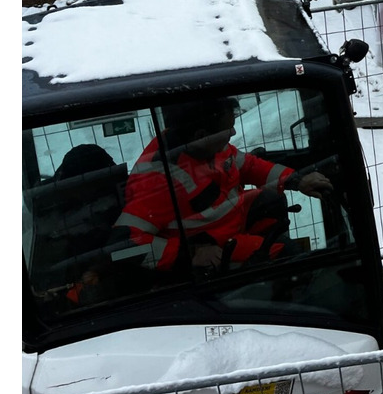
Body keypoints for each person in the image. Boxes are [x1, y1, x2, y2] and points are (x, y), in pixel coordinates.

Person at [114, 96, 333, 273]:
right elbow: (122, 248)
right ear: (201, 135)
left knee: (270, 200)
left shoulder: (207, 147)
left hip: (229, 224)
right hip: (211, 247)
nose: (233, 134)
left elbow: (247, 165)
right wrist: (191, 254)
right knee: (289, 253)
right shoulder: (157, 180)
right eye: (228, 130)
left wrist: (296, 180)